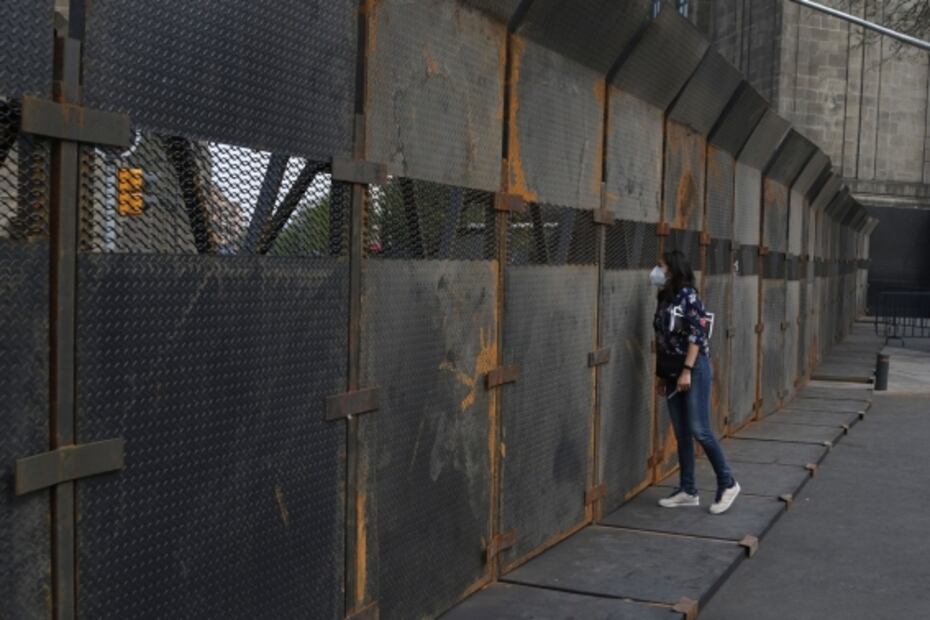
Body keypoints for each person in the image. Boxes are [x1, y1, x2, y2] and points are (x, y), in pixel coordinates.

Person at [651, 250, 740, 514]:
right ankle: (688, 489)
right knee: (682, 433)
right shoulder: (665, 297)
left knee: (700, 429)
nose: (656, 271)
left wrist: (687, 370)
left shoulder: (689, 296)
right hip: (671, 370)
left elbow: (697, 335)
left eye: (660, 265)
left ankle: (728, 482)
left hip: (693, 368)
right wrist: (661, 375)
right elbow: (662, 340)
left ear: (673, 268)